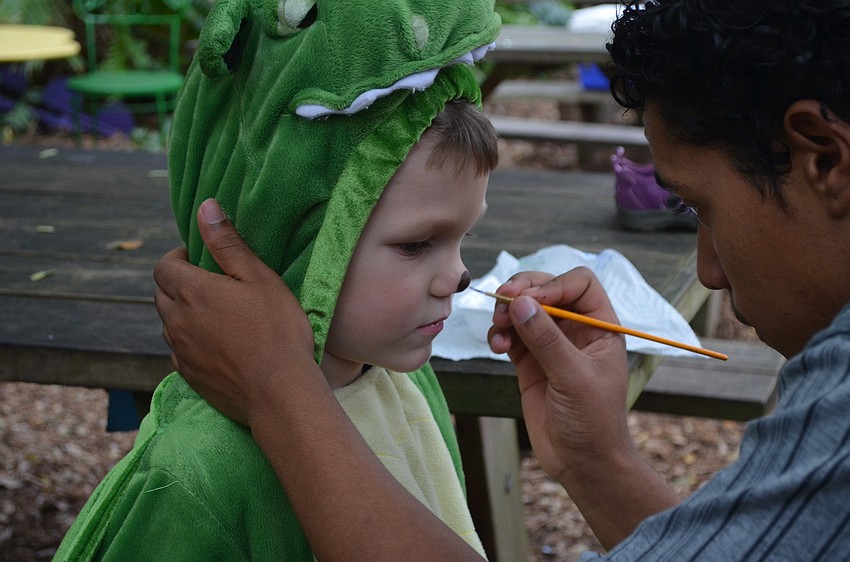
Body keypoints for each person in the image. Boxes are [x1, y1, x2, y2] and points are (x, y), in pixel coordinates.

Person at [153, 0, 850, 560]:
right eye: (416, 243)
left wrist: (278, 388)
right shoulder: (196, 471)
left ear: (824, 159)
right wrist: (597, 459)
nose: (707, 269)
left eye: (701, 206)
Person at [54, 0, 501, 559]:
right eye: (416, 245)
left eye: (463, 239)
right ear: (288, 238)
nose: (459, 277)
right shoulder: (200, 474)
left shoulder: (408, 386)